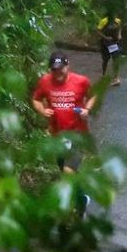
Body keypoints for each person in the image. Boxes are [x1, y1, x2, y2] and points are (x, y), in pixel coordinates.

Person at [31, 51, 98, 214]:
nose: (58, 73)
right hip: (57, 135)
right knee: (64, 170)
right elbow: (35, 99)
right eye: (54, 69)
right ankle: (82, 198)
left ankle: (78, 209)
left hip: (77, 134)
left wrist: (87, 109)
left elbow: (93, 95)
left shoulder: (81, 81)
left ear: (68, 66)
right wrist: (42, 110)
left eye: (61, 69)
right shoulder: (45, 81)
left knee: (68, 172)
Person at [97, 12, 123, 86]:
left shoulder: (118, 21)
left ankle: (116, 78)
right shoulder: (104, 21)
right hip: (105, 43)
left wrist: (119, 35)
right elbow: (98, 31)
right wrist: (106, 37)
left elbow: (120, 27)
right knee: (105, 60)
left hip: (114, 43)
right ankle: (103, 74)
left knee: (116, 59)